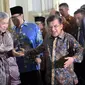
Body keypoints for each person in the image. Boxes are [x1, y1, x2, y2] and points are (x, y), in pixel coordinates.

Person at [24, 15, 83, 85]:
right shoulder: (47, 39)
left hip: (66, 80)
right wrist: (25, 52)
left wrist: (73, 59)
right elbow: (38, 49)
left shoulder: (68, 38)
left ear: (61, 26)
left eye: (55, 26)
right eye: (50, 27)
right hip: (50, 80)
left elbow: (80, 50)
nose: (53, 29)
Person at [10, 6, 43, 85]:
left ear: (22, 15)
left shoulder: (33, 27)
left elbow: (40, 43)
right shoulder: (12, 30)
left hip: (32, 65)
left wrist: (39, 57)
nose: (14, 20)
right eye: (12, 18)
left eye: (16, 17)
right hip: (18, 66)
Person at [0, 12, 24, 85]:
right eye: (3, 23)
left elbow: (11, 49)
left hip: (12, 74)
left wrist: (15, 52)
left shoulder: (8, 34)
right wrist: (10, 52)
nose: (5, 26)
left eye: (7, 23)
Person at [74, 9, 85, 85]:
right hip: (77, 59)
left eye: (79, 18)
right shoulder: (75, 30)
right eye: (75, 19)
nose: (77, 21)